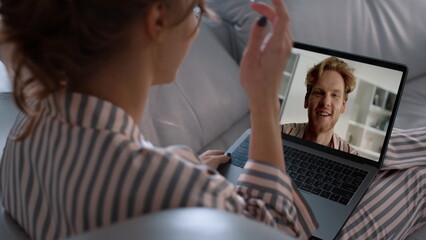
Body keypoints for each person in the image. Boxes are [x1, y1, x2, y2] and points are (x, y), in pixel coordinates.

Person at [0, 0, 317, 239]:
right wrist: (263, 97)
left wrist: (186, 178)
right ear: (157, 19)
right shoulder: (162, 185)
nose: (196, 28)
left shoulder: (22, 135)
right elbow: (282, 230)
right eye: (196, 12)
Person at [282, 57, 358, 155]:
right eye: (318, 93)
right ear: (306, 100)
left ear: (343, 106)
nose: (325, 102)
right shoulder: (278, 135)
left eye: (334, 95)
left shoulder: (352, 157)